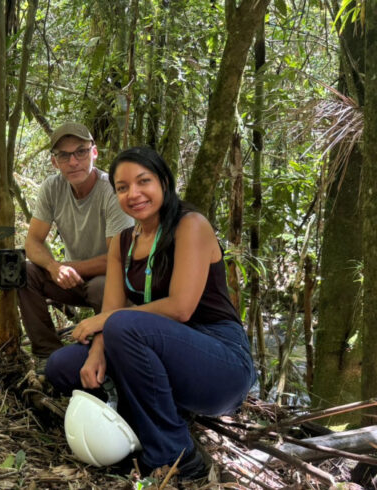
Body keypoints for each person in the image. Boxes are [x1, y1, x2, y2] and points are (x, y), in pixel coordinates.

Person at [45, 147, 256, 480]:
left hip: (220, 364)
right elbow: (113, 309)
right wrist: (97, 351)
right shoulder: (123, 242)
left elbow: (180, 307)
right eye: (123, 187)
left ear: (164, 182)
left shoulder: (191, 225)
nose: (134, 194)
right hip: (158, 353)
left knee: (125, 325)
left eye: (144, 182)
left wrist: (104, 321)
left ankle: (178, 456)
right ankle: (136, 421)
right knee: (62, 367)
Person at [18, 122, 132, 365]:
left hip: (111, 279)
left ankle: (108, 355)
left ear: (94, 152)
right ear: (54, 162)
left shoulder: (110, 190)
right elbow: (33, 242)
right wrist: (53, 267)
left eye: (81, 151)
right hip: (72, 279)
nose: (73, 162)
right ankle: (47, 354)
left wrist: (69, 267)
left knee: (101, 287)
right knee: (25, 272)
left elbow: (117, 257)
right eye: (64, 155)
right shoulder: (53, 187)